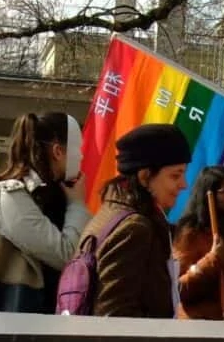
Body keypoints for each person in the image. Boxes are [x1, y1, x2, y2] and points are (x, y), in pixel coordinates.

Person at [0, 112, 90, 314]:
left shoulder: (53, 192)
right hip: (10, 319)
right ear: (58, 151)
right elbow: (65, 255)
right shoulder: (14, 195)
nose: (82, 156)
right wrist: (77, 205)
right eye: (78, 149)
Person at [73, 123, 191, 319]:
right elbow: (114, 316)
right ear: (145, 176)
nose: (183, 184)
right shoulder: (134, 229)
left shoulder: (112, 213)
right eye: (175, 175)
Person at [172, 166, 224, 320]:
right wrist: (211, 260)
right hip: (201, 329)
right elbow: (179, 289)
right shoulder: (190, 233)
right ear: (208, 195)